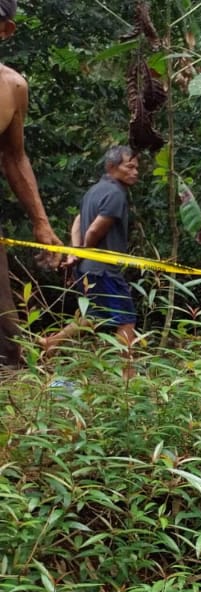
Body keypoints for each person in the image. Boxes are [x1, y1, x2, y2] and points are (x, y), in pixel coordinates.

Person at [0, 0, 65, 365]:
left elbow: (14, 156)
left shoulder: (12, 87)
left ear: (5, 30)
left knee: (5, 334)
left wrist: (41, 222)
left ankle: (13, 410)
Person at [38, 146, 141, 357]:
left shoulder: (94, 190)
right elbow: (94, 229)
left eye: (136, 168)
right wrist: (85, 250)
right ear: (111, 167)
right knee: (126, 318)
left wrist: (75, 251)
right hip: (103, 270)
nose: (135, 172)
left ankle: (52, 342)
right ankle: (128, 375)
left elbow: (78, 220)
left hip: (87, 268)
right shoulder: (116, 194)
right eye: (129, 167)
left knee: (94, 314)